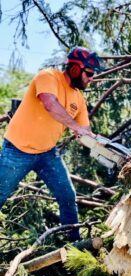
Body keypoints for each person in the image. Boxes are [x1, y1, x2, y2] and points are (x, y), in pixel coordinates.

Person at [0, 46, 102, 241]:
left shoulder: (79, 99)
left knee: (67, 196)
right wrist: (74, 125)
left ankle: (73, 245)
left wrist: (100, 145)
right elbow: (50, 103)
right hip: (17, 151)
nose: (91, 78)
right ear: (74, 69)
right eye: (89, 73)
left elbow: (85, 132)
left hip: (47, 154)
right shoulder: (48, 77)